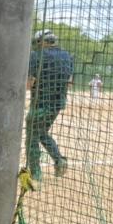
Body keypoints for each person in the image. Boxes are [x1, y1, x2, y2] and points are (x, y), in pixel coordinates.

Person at [26, 29, 73, 180]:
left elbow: (29, 83)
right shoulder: (67, 56)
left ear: (41, 42)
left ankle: (36, 174)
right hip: (57, 104)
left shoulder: (35, 56)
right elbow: (69, 82)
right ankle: (59, 160)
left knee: (31, 137)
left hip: (40, 105)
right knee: (41, 133)